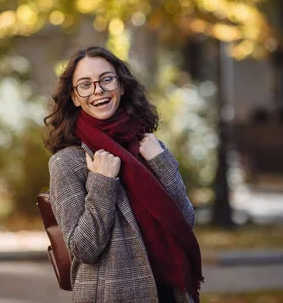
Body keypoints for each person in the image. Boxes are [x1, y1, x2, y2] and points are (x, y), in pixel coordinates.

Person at [44, 46, 203, 303]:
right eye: (85, 85)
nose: (98, 90)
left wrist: (160, 160)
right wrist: (102, 184)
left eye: (106, 79)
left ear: (121, 85)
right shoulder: (67, 162)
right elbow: (84, 249)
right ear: (74, 97)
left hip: (172, 293)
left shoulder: (149, 147)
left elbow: (184, 220)